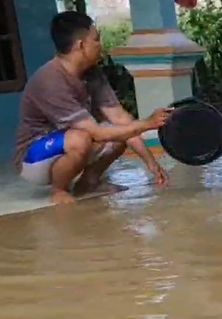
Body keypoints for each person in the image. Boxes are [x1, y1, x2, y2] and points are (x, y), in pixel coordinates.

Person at [12, 11, 172, 205]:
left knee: (118, 135)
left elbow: (120, 119)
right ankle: (59, 190)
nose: (100, 45)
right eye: (96, 40)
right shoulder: (50, 80)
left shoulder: (93, 74)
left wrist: (151, 163)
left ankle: (88, 182)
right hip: (33, 159)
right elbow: (96, 132)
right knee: (83, 138)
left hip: (66, 145)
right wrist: (148, 123)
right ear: (81, 45)